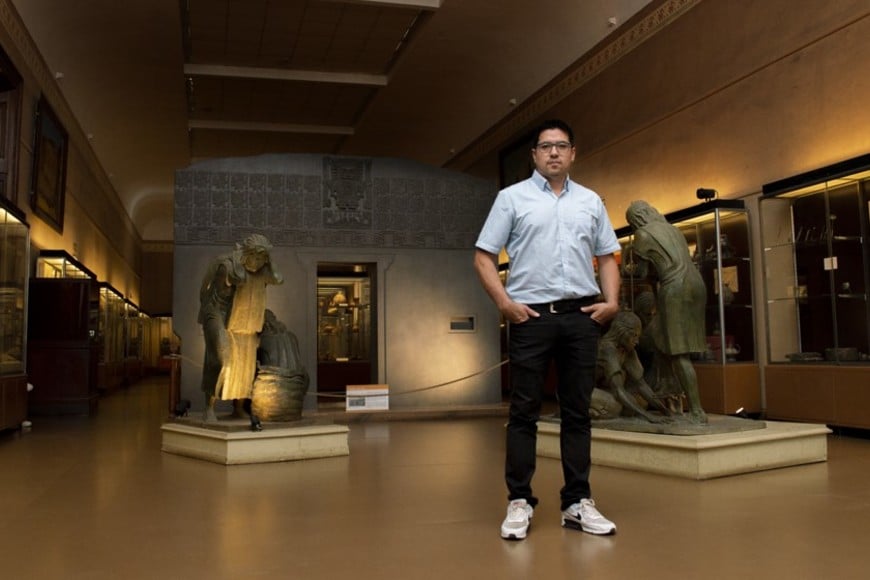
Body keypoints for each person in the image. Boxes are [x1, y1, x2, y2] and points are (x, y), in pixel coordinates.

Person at [474, 119, 621, 540]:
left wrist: (612, 302)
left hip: (581, 317)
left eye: (561, 145)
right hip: (531, 318)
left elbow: (607, 256)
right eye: (545, 146)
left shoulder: (590, 201)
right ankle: (519, 501)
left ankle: (577, 502)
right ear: (534, 155)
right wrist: (505, 304)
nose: (553, 152)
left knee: (577, 412)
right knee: (523, 412)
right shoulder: (511, 198)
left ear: (573, 153)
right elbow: (483, 256)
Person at [624, 200, 707, 424]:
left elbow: (642, 273)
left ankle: (697, 411)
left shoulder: (642, 235)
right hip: (697, 284)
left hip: (674, 287)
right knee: (662, 339)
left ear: (635, 220)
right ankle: (668, 394)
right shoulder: (673, 230)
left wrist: (628, 257)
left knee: (679, 353)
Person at [199, 234, 282, 430]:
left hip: (243, 316)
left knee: (245, 363)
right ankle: (208, 407)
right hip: (218, 312)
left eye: (263, 259)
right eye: (258, 257)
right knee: (222, 359)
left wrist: (269, 261)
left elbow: (278, 278)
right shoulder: (227, 265)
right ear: (247, 254)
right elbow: (210, 293)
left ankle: (238, 407)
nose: (260, 262)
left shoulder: (261, 269)